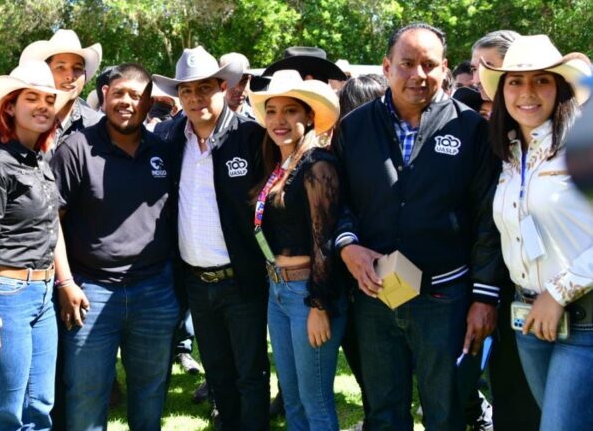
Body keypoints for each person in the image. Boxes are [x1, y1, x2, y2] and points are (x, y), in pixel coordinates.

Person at [333, 24, 504, 430]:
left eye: (429, 64)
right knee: (383, 412)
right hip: (375, 296)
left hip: (444, 300)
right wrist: (347, 244)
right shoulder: (354, 127)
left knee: (444, 413)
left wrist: (484, 297)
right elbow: (336, 200)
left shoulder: (472, 129)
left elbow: (487, 218)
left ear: (444, 68)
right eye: (407, 63)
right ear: (387, 66)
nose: (418, 74)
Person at [51, 63, 180, 430]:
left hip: (154, 291)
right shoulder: (76, 148)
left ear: (148, 103)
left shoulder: (163, 150)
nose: (126, 102)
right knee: (86, 396)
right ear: (105, 95)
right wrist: (65, 284)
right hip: (90, 293)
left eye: (136, 96)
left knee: (150, 394)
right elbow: (52, 223)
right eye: (119, 93)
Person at [480, 36, 593, 431]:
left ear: (560, 88)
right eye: (515, 82)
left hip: (584, 320)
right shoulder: (508, 156)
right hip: (529, 321)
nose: (527, 92)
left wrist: (559, 292)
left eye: (541, 81)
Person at [153, 47, 269, 431]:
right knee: (218, 375)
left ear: (223, 87)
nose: (195, 98)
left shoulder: (251, 137)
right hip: (196, 283)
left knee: (250, 375)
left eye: (204, 88)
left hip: (242, 280)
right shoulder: (169, 138)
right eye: (186, 91)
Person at [0, 61, 68, 430]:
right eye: (32, 98)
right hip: (7, 295)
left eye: (48, 99)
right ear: (10, 106)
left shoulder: (41, 161)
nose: (43, 105)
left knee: (40, 404)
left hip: (43, 293)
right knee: (4, 409)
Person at [248, 69, 344, 430]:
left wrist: (319, 305)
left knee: (315, 403)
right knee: (293, 401)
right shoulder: (281, 165)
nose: (279, 120)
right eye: (271, 111)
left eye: (290, 111)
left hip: (308, 295)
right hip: (278, 292)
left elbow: (325, 242)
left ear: (308, 115)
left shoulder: (318, 165)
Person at [469, 29, 540, 431]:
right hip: (507, 289)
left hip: (567, 303)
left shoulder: (572, 143)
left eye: (490, 68)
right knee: (512, 397)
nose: (481, 79)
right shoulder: (501, 143)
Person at [18, 29, 103, 150]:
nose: (70, 76)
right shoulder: (28, 118)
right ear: (45, 71)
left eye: (77, 68)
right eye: (61, 67)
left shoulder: (98, 125)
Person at [219, 53, 255, 117]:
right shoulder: (208, 119)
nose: (238, 88)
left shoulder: (260, 119)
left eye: (244, 81)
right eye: (232, 82)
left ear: (250, 79)